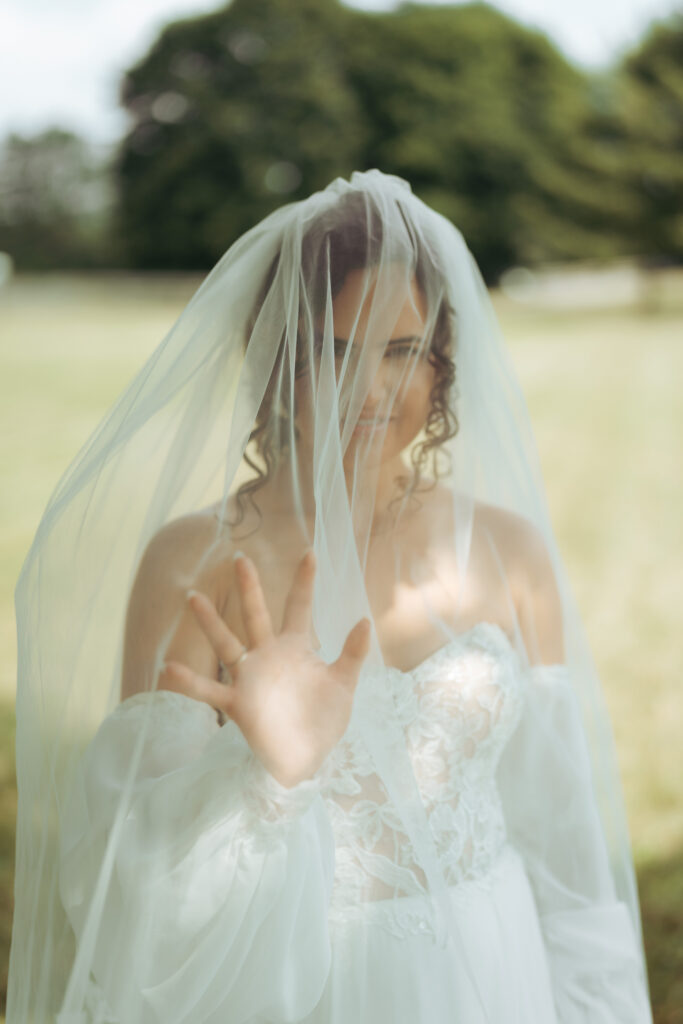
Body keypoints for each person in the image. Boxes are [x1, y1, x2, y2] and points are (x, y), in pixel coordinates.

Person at [7, 169, 653, 1023]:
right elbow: (139, 871)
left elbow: (564, 842)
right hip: (293, 982)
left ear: (444, 362)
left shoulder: (506, 551)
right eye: (336, 352)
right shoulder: (195, 563)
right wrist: (270, 779)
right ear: (278, 360)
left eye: (401, 351)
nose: (374, 391)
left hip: (492, 974)